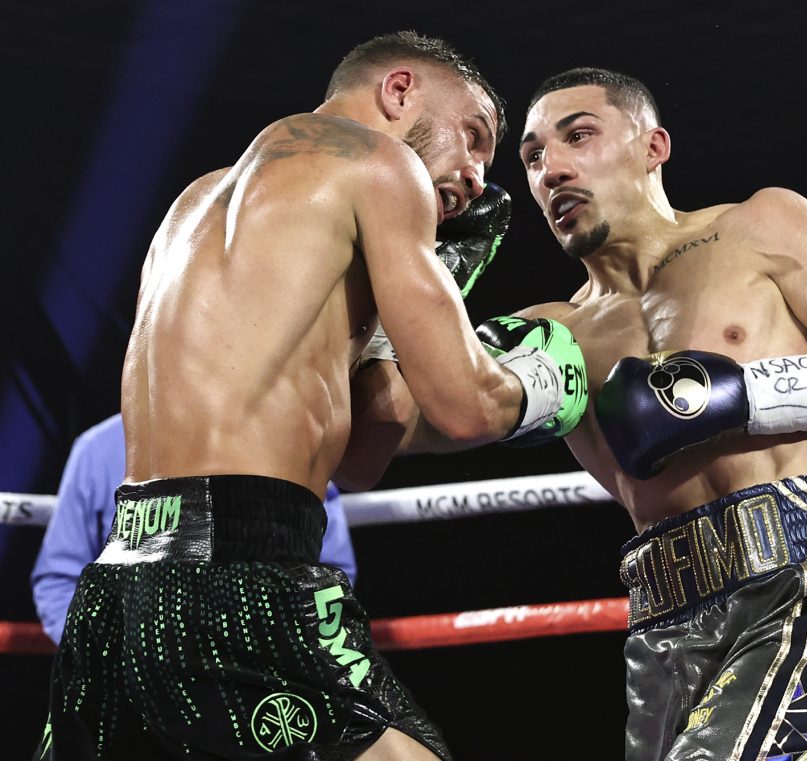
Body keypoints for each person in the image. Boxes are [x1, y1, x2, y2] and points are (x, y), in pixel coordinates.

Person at [34, 32, 586, 761]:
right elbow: (467, 405)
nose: (479, 177)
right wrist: (550, 377)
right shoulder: (381, 165)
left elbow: (356, 459)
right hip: (240, 571)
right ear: (398, 92)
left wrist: (389, 330)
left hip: (118, 589)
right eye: (474, 136)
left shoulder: (195, 201)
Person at [505, 69, 807, 760]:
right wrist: (425, 262)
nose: (551, 170)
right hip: (663, 630)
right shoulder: (548, 338)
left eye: (577, 137)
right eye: (530, 159)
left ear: (653, 145)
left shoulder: (757, 228)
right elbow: (408, 419)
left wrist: (736, 396)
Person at [31, 412, 358, 645]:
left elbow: (331, 572)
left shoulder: (284, 443)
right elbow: (59, 579)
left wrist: (275, 648)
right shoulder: (98, 451)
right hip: (135, 680)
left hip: (256, 675)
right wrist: (102, 656)